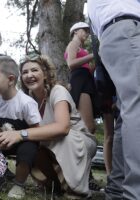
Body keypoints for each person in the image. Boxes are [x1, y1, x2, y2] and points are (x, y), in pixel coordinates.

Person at [0, 55, 97, 198]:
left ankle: (76, 190)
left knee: (61, 138)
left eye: (34, 70)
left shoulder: (57, 91)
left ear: (45, 74)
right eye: (25, 72)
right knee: (31, 145)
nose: (29, 75)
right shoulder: (26, 99)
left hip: (76, 140)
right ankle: (54, 185)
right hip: (48, 142)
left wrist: (20, 134)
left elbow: (62, 128)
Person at [87, 1, 140, 199]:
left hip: (113, 36)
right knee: (136, 108)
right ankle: (134, 193)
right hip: (126, 29)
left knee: (128, 113)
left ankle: (118, 188)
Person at [0, 56, 41, 199]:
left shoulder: (26, 103)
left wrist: (18, 136)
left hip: (24, 141)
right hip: (3, 140)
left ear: (10, 80)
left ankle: (19, 184)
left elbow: (37, 129)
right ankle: (1, 174)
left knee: (26, 153)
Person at [64, 22, 98, 134]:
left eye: (88, 31)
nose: (87, 34)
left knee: (90, 127)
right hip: (80, 81)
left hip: (86, 80)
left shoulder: (83, 49)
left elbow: (87, 69)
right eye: (84, 30)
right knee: (88, 127)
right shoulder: (73, 44)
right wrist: (94, 55)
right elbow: (71, 64)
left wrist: (96, 64)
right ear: (75, 31)